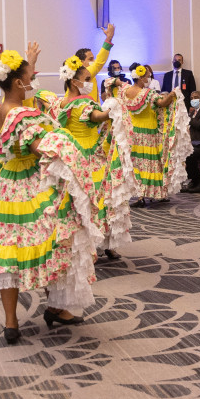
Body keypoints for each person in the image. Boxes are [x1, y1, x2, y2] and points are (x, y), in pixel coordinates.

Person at [0, 46, 96, 346]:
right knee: (53, 238)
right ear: (18, 82)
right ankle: (55, 307)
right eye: (30, 76)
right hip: (31, 185)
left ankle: (12, 322)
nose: (34, 80)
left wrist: (29, 61)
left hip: (7, 184)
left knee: (10, 246)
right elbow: (39, 148)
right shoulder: (23, 115)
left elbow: (2, 141)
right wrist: (64, 145)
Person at [56, 54, 135, 259]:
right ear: (74, 82)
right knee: (98, 198)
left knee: (88, 199)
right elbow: (96, 116)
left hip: (73, 154)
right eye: (87, 79)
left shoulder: (63, 102)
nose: (90, 83)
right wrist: (112, 110)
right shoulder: (82, 104)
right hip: (88, 156)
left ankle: (102, 243)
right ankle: (94, 245)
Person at [122, 64, 187, 205]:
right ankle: (155, 193)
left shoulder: (126, 91)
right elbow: (162, 103)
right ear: (140, 78)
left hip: (133, 132)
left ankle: (140, 195)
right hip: (149, 131)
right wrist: (172, 95)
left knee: (138, 163)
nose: (149, 79)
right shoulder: (148, 93)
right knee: (151, 163)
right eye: (147, 76)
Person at [73, 23, 115, 101]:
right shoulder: (82, 74)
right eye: (90, 59)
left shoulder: (90, 74)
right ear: (81, 62)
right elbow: (99, 62)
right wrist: (109, 38)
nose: (94, 61)